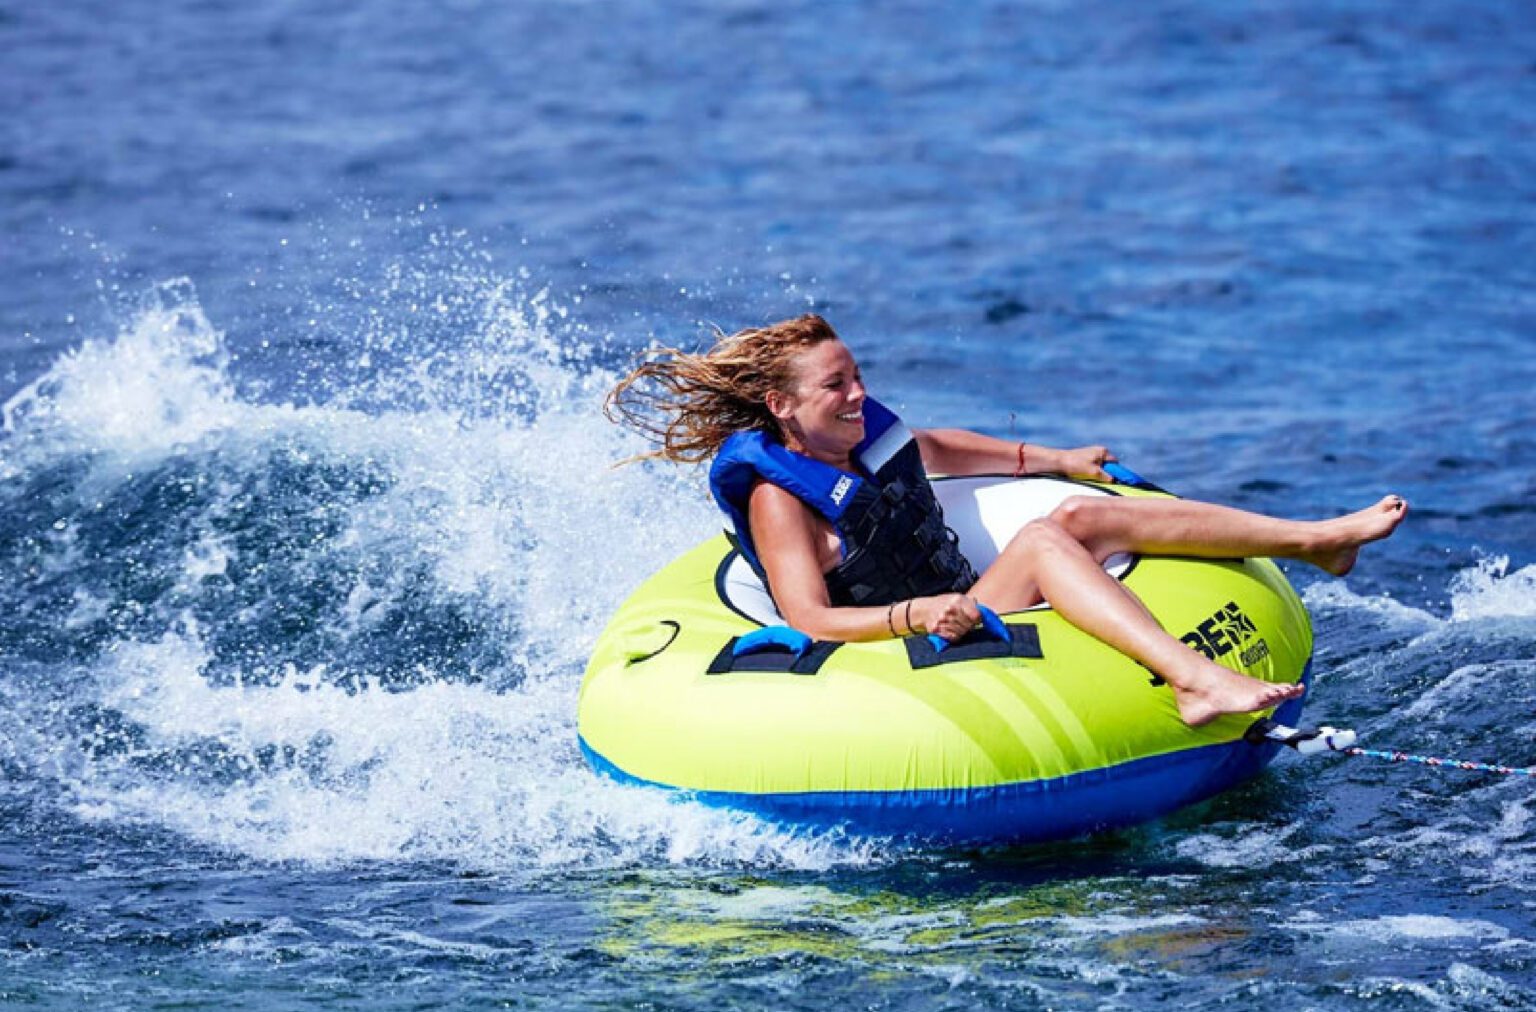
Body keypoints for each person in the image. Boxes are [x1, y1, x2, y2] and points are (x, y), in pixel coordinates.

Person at [606, 314, 1407, 726]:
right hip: (909, 638)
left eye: (857, 377)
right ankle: (1193, 681)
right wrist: (918, 613)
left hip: (965, 594)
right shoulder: (778, 498)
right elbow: (809, 616)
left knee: (1081, 513)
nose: (857, 396)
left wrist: (1055, 457)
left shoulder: (858, 439)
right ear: (781, 407)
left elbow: (935, 447)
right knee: (1047, 538)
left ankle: (1316, 541)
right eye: (835, 387)